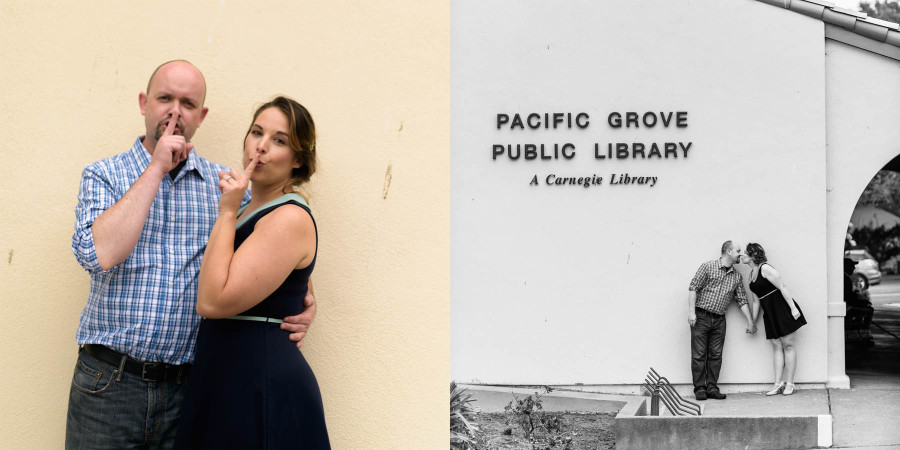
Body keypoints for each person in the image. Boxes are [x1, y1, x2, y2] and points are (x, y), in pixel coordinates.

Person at [68, 60, 317, 449]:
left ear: (201, 116)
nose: (174, 111)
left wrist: (305, 300)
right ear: (143, 103)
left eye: (187, 103)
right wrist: (155, 169)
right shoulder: (104, 174)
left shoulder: (228, 192)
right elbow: (97, 254)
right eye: (164, 98)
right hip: (109, 385)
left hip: (187, 391)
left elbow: (275, 249)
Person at [173, 96, 329, 448]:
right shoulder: (253, 209)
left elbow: (213, 302)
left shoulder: (288, 216)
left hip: (257, 380)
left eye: (279, 140)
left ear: (298, 160)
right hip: (227, 373)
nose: (261, 146)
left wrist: (226, 210)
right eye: (257, 132)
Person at [687, 240, 756, 401]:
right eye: (738, 250)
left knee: (716, 356)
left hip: (719, 320)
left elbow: (742, 300)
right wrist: (691, 312)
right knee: (698, 355)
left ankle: (712, 387)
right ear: (729, 251)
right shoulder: (708, 267)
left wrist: (751, 322)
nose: (741, 253)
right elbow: (693, 288)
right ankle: (700, 388)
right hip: (701, 316)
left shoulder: (736, 276)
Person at [742, 243, 807, 396]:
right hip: (769, 313)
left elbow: (782, 287)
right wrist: (752, 322)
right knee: (776, 346)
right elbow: (756, 301)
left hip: (782, 309)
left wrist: (793, 308)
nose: (742, 255)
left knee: (788, 345)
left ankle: (790, 383)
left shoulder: (766, 268)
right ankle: (778, 383)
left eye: (745, 253)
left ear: (752, 255)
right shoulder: (751, 275)